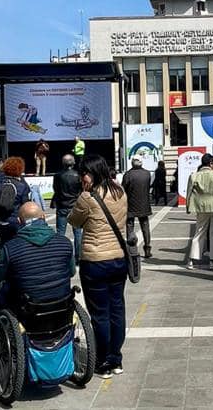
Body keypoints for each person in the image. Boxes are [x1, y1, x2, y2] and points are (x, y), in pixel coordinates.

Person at [68, 154, 128, 380]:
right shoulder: (120, 191)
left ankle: (103, 361)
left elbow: (74, 221)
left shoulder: (87, 197)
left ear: (90, 173)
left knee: (100, 314)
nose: (81, 177)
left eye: (83, 173)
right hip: (118, 260)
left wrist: (83, 192)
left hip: (95, 261)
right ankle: (116, 358)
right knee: (117, 310)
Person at [0, 202, 75, 314]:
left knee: (0, 299)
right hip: (62, 304)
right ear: (43, 216)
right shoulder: (64, 243)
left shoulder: (11, 248)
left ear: (19, 221)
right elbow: (71, 272)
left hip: (27, 308)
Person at [185, 153, 213, 270]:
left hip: (200, 207)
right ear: (211, 163)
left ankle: (192, 259)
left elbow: (188, 193)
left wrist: (187, 207)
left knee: (199, 232)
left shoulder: (194, 176)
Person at [0, 157, 33, 247]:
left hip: (2, 222)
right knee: (19, 246)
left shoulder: (0, 184)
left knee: (4, 246)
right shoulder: (22, 186)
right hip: (16, 221)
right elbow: (26, 206)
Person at [51, 154, 83, 260]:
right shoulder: (78, 175)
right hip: (75, 205)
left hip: (62, 206)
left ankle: (61, 256)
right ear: (73, 162)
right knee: (78, 232)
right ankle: (78, 256)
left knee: (60, 232)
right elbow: (81, 190)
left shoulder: (58, 175)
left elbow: (56, 189)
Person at [122, 156, 153, 259]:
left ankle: (131, 249)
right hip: (144, 204)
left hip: (130, 204)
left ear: (132, 163)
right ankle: (147, 248)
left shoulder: (128, 174)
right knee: (145, 226)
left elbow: (123, 189)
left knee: (130, 226)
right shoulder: (147, 174)